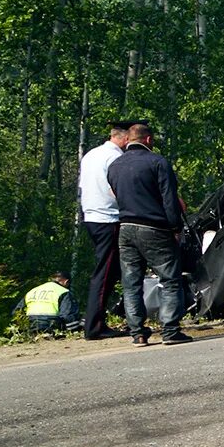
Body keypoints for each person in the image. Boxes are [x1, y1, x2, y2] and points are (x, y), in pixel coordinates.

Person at [107, 122, 192, 345]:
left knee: (131, 282)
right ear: (148, 140)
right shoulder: (158, 162)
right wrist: (175, 227)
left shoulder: (114, 166)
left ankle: (137, 333)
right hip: (154, 227)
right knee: (170, 279)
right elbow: (169, 198)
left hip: (125, 228)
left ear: (128, 140)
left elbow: (116, 195)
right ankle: (170, 331)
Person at [77, 120, 133, 339]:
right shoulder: (116, 158)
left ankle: (107, 321)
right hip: (108, 218)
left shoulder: (91, 154)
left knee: (112, 272)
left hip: (92, 216)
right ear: (125, 138)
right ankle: (94, 326)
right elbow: (115, 189)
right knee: (106, 274)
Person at [13, 271, 80, 335]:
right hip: (51, 325)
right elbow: (68, 315)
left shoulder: (33, 290)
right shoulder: (63, 292)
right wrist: (75, 330)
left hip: (31, 325)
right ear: (66, 282)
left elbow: (17, 313)